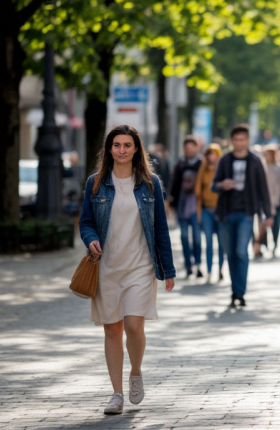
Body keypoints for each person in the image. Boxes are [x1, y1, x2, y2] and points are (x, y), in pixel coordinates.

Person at [78, 125, 176, 415]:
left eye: (127, 145)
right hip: (107, 268)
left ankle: (135, 371)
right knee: (112, 329)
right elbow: (85, 221)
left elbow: (160, 228)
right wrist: (90, 238)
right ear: (109, 149)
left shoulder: (149, 184)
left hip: (140, 266)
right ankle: (116, 393)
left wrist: (167, 269)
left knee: (134, 326)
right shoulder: (95, 184)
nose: (122, 150)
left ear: (136, 149)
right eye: (116, 145)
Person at [212, 124, 274, 308]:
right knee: (230, 253)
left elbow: (264, 189)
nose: (239, 143)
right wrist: (223, 184)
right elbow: (213, 185)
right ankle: (235, 291)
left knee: (241, 251)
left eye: (242, 139)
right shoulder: (224, 160)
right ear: (232, 141)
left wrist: (268, 214)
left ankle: (241, 291)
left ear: (247, 140)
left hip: (246, 214)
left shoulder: (256, 161)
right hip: (226, 213)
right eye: (236, 140)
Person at [170, 136, 203, 278]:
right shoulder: (180, 164)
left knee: (196, 237)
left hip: (196, 206)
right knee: (184, 236)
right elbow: (174, 184)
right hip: (182, 206)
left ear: (196, 148)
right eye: (186, 148)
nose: (189, 150)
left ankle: (198, 263)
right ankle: (188, 265)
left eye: (191, 147)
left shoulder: (201, 164)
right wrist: (171, 203)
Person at [195, 143, 225, 282]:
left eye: (214, 154)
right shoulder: (204, 169)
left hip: (220, 210)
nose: (211, 156)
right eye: (209, 154)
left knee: (221, 242)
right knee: (208, 241)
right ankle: (208, 270)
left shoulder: (222, 169)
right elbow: (197, 191)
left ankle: (220, 269)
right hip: (206, 210)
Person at [263, 145, 280, 257]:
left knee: (276, 225)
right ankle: (264, 244)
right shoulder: (262, 167)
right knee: (263, 224)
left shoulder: (279, 168)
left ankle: (274, 244)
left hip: (277, 202)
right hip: (264, 202)